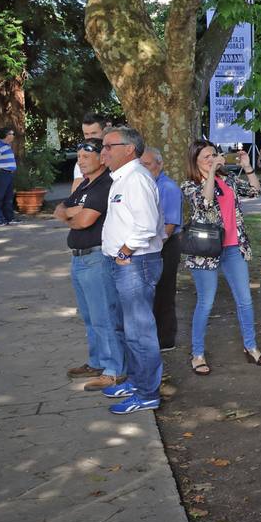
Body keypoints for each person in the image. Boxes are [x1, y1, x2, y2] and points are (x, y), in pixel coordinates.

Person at [183, 140, 261, 374]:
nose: (212, 159)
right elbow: (206, 201)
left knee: (245, 300)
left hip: (233, 247)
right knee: (205, 302)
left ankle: (251, 347)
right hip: (205, 251)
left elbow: (255, 190)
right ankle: (197, 353)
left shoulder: (228, 179)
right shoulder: (189, 185)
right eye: (206, 157)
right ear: (196, 161)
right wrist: (210, 173)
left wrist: (248, 166)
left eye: (214, 155)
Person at [98, 126, 165, 414]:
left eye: (109, 145)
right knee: (128, 328)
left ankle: (148, 392)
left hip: (136, 263)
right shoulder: (122, 178)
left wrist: (124, 251)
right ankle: (137, 383)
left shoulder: (136, 179)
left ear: (128, 148)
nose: (103, 151)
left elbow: (147, 225)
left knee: (140, 332)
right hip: (124, 263)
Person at [53, 138, 128, 389]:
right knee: (89, 317)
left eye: (86, 157)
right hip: (79, 258)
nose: (80, 162)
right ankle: (97, 362)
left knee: (104, 317)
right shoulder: (86, 184)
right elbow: (60, 209)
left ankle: (114, 370)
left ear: (101, 157)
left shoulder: (105, 184)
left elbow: (84, 220)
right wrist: (73, 211)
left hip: (96, 259)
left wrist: (73, 213)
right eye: (78, 157)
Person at [140, 147, 183, 351]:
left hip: (165, 245)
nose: (145, 169)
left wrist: (153, 248)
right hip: (152, 246)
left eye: (148, 164)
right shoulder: (145, 185)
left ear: (160, 164)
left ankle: (166, 339)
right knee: (151, 293)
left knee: (164, 292)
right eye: (142, 165)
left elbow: (169, 225)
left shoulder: (167, 187)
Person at [72, 113, 107, 192]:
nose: (90, 138)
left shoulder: (118, 153)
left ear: (105, 132)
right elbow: (75, 194)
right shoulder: (82, 161)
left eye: (94, 133)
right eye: (86, 134)